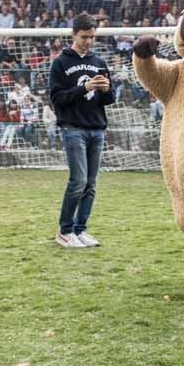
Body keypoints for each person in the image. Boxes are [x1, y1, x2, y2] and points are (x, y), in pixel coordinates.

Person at [49, 13, 114, 248]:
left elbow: (110, 99)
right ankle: (65, 231)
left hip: (97, 129)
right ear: (73, 35)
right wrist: (84, 87)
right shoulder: (60, 63)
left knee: (91, 184)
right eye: (85, 37)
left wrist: (106, 89)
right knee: (78, 181)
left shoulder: (99, 62)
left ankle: (80, 229)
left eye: (92, 37)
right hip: (72, 128)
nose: (89, 41)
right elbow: (56, 98)